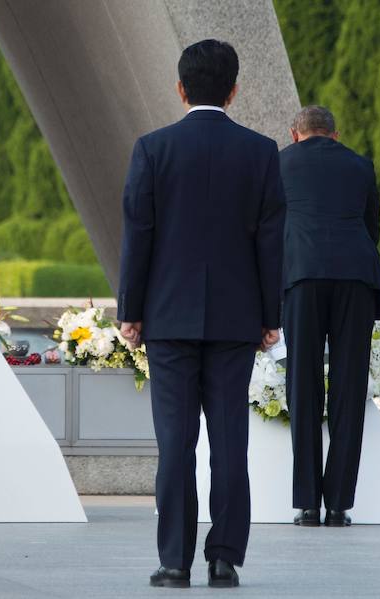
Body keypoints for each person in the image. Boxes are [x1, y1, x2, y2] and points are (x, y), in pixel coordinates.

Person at [117, 39, 285, 588]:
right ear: (234, 91)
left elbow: (138, 237)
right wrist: (269, 315)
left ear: (180, 88)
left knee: (175, 442)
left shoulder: (152, 149)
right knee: (230, 440)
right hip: (237, 321)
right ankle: (225, 557)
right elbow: (270, 242)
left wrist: (131, 311)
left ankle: (173, 560)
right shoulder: (260, 153)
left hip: (167, 320)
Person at [279, 105, 380, 528]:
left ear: (295, 133)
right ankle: (339, 504)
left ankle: (307, 503)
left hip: (302, 276)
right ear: (335, 134)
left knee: (303, 384)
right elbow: (371, 226)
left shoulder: (279, 163)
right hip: (355, 278)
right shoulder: (360, 166)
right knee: (348, 385)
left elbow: (269, 227)